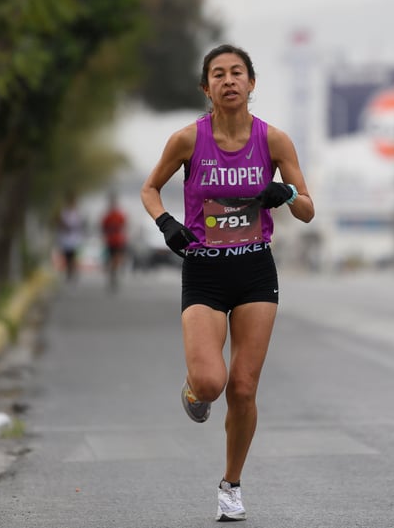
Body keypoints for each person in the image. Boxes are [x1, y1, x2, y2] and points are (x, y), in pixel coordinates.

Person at [140, 44, 314, 522]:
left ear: (252, 83)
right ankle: (193, 390)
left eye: (238, 72)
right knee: (212, 383)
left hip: (256, 269)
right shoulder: (187, 141)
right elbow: (149, 187)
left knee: (242, 387)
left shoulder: (274, 141)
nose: (229, 80)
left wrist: (289, 192)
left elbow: (307, 209)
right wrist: (166, 223)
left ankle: (231, 486)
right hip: (205, 271)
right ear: (207, 88)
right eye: (219, 74)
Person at [55, 192, 86, 282]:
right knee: (67, 256)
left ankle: (72, 271)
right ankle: (69, 271)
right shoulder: (63, 212)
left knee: (73, 255)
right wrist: (64, 226)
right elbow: (59, 223)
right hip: (65, 238)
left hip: (75, 238)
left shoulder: (78, 212)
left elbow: (81, 224)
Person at [100, 192, 127, 290]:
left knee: (116, 259)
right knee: (112, 259)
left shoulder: (119, 215)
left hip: (118, 240)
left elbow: (124, 225)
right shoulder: (107, 216)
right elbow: (103, 227)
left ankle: (114, 273)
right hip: (111, 240)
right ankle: (112, 274)